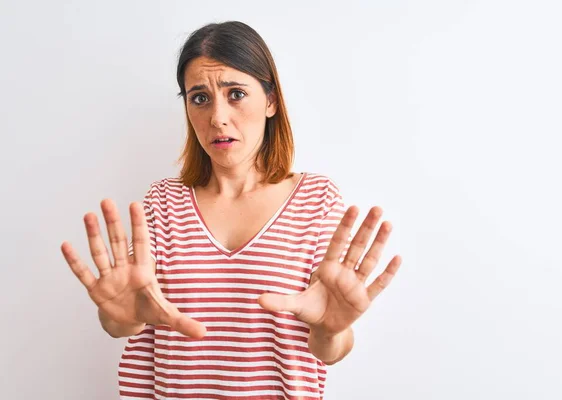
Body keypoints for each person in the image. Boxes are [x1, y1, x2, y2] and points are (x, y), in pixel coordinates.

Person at [61, 21, 401, 400]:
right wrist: (118, 318)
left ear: (270, 101)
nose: (217, 117)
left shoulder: (316, 199)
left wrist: (329, 330)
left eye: (236, 93)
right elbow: (125, 319)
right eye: (199, 98)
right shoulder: (162, 202)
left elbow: (329, 349)